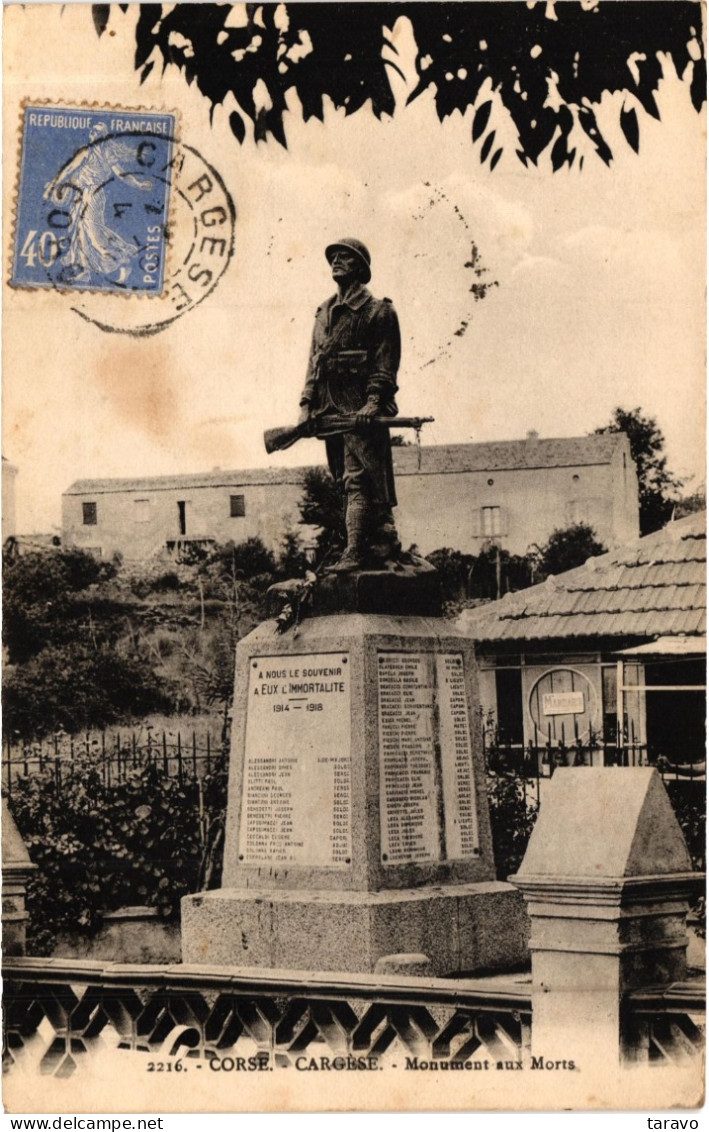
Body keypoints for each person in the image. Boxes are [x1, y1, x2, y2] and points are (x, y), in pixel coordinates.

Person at [298, 238, 403, 572]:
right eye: (334, 257)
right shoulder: (324, 312)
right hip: (329, 411)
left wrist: (373, 402)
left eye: (345, 257)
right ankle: (369, 540)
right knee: (344, 479)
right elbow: (315, 362)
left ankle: (356, 552)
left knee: (359, 480)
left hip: (361, 412)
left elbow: (385, 362)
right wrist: (305, 404)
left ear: (361, 267)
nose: (336, 261)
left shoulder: (378, 311)